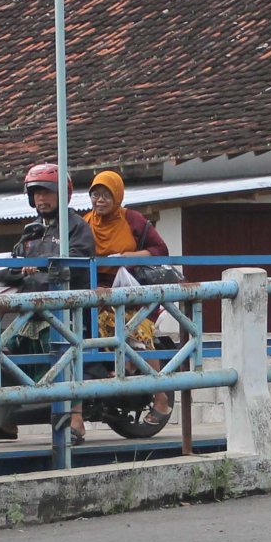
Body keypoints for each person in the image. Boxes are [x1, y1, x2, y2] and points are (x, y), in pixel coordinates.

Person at [0, 162, 96, 444]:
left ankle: (76, 420)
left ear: (63, 194)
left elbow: (78, 266)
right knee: (3, 353)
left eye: (47, 192)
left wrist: (45, 271)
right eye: (36, 193)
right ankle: (5, 422)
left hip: (66, 311)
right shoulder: (31, 231)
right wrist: (21, 271)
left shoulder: (77, 229)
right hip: (29, 311)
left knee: (66, 355)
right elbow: (14, 262)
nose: (41, 199)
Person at [79, 168, 173, 437]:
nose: (99, 200)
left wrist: (128, 256)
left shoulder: (133, 220)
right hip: (98, 293)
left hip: (131, 292)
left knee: (137, 333)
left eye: (106, 195)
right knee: (81, 334)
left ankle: (161, 399)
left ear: (118, 195)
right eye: (95, 194)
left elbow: (160, 250)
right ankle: (110, 376)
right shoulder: (85, 223)